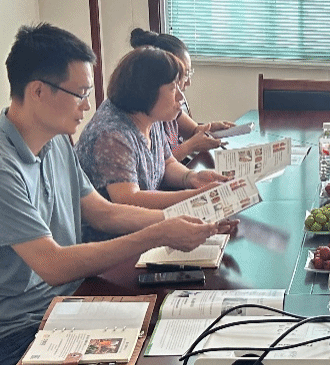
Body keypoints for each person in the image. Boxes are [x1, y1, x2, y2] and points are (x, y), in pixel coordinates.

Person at [0, 23, 233, 365]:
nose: (87, 105)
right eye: (79, 94)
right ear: (38, 91)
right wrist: (158, 233)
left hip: (69, 300)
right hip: (17, 332)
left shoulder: (54, 141)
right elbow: (53, 265)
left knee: (182, 325)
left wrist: (183, 218)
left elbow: (103, 212)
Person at [75, 47, 231, 241]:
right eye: (173, 88)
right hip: (112, 241)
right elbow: (128, 199)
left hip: (146, 228)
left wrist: (192, 178)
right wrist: (194, 196)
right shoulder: (112, 135)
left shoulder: (150, 115)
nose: (181, 97)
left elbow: (167, 162)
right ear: (146, 91)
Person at [129, 28, 234, 161]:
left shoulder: (172, 105)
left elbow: (193, 130)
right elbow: (160, 164)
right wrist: (191, 146)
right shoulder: (149, 112)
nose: (188, 82)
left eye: (189, 73)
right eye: (184, 75)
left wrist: (211, 128)